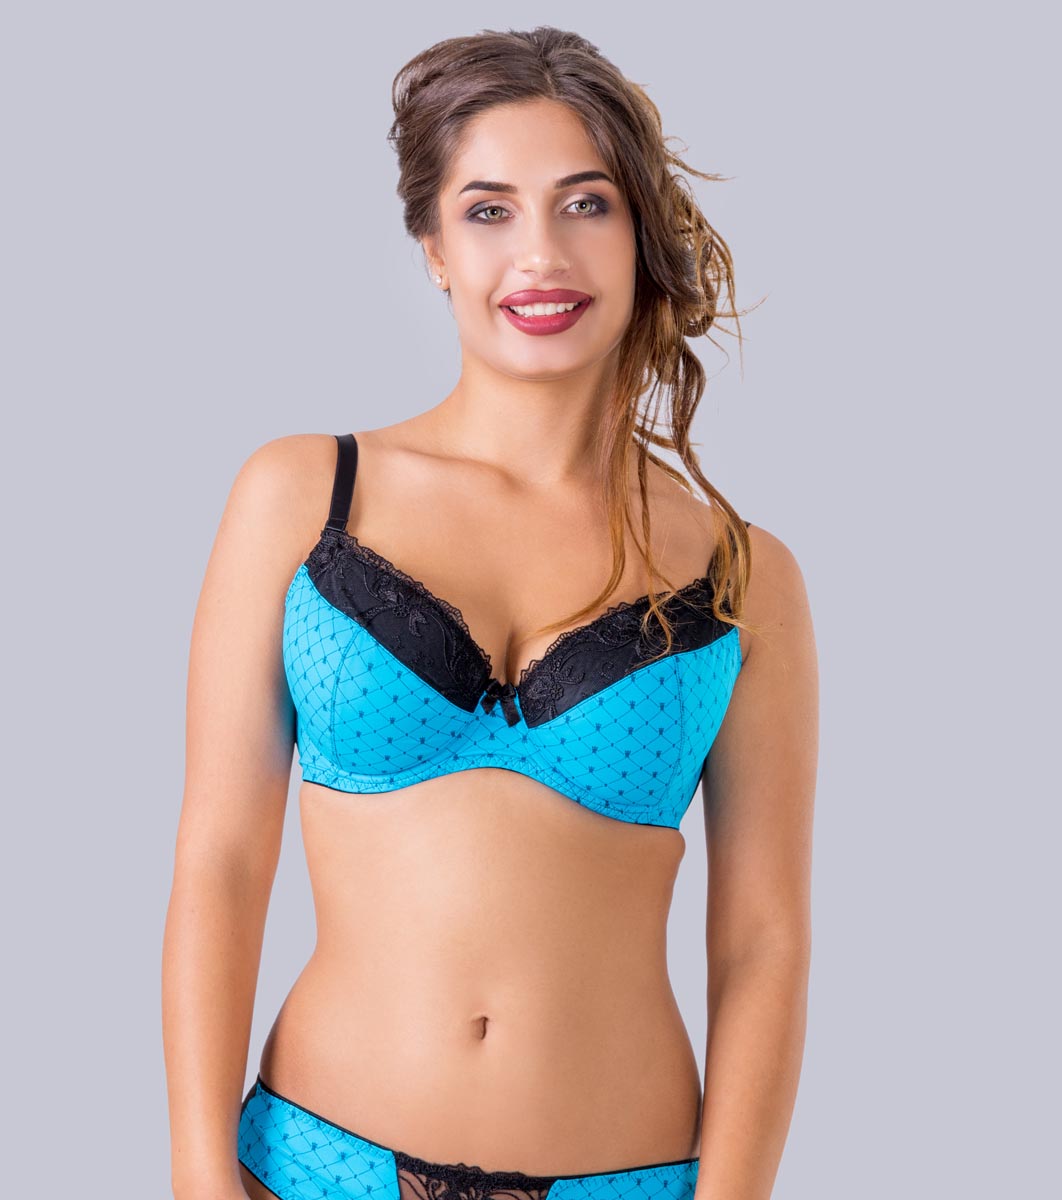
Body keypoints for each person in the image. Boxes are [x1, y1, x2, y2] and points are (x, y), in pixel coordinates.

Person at [162, 25, 818, 1200]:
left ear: (640, 232)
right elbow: (219, 859)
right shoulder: (301, 496)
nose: (541, 255)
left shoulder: (743, 574)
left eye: (586, 204)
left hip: (630, 1178)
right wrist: (199, 1177)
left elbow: (762, 939)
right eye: (489, 211)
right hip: (312, 1166)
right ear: (433, 247)